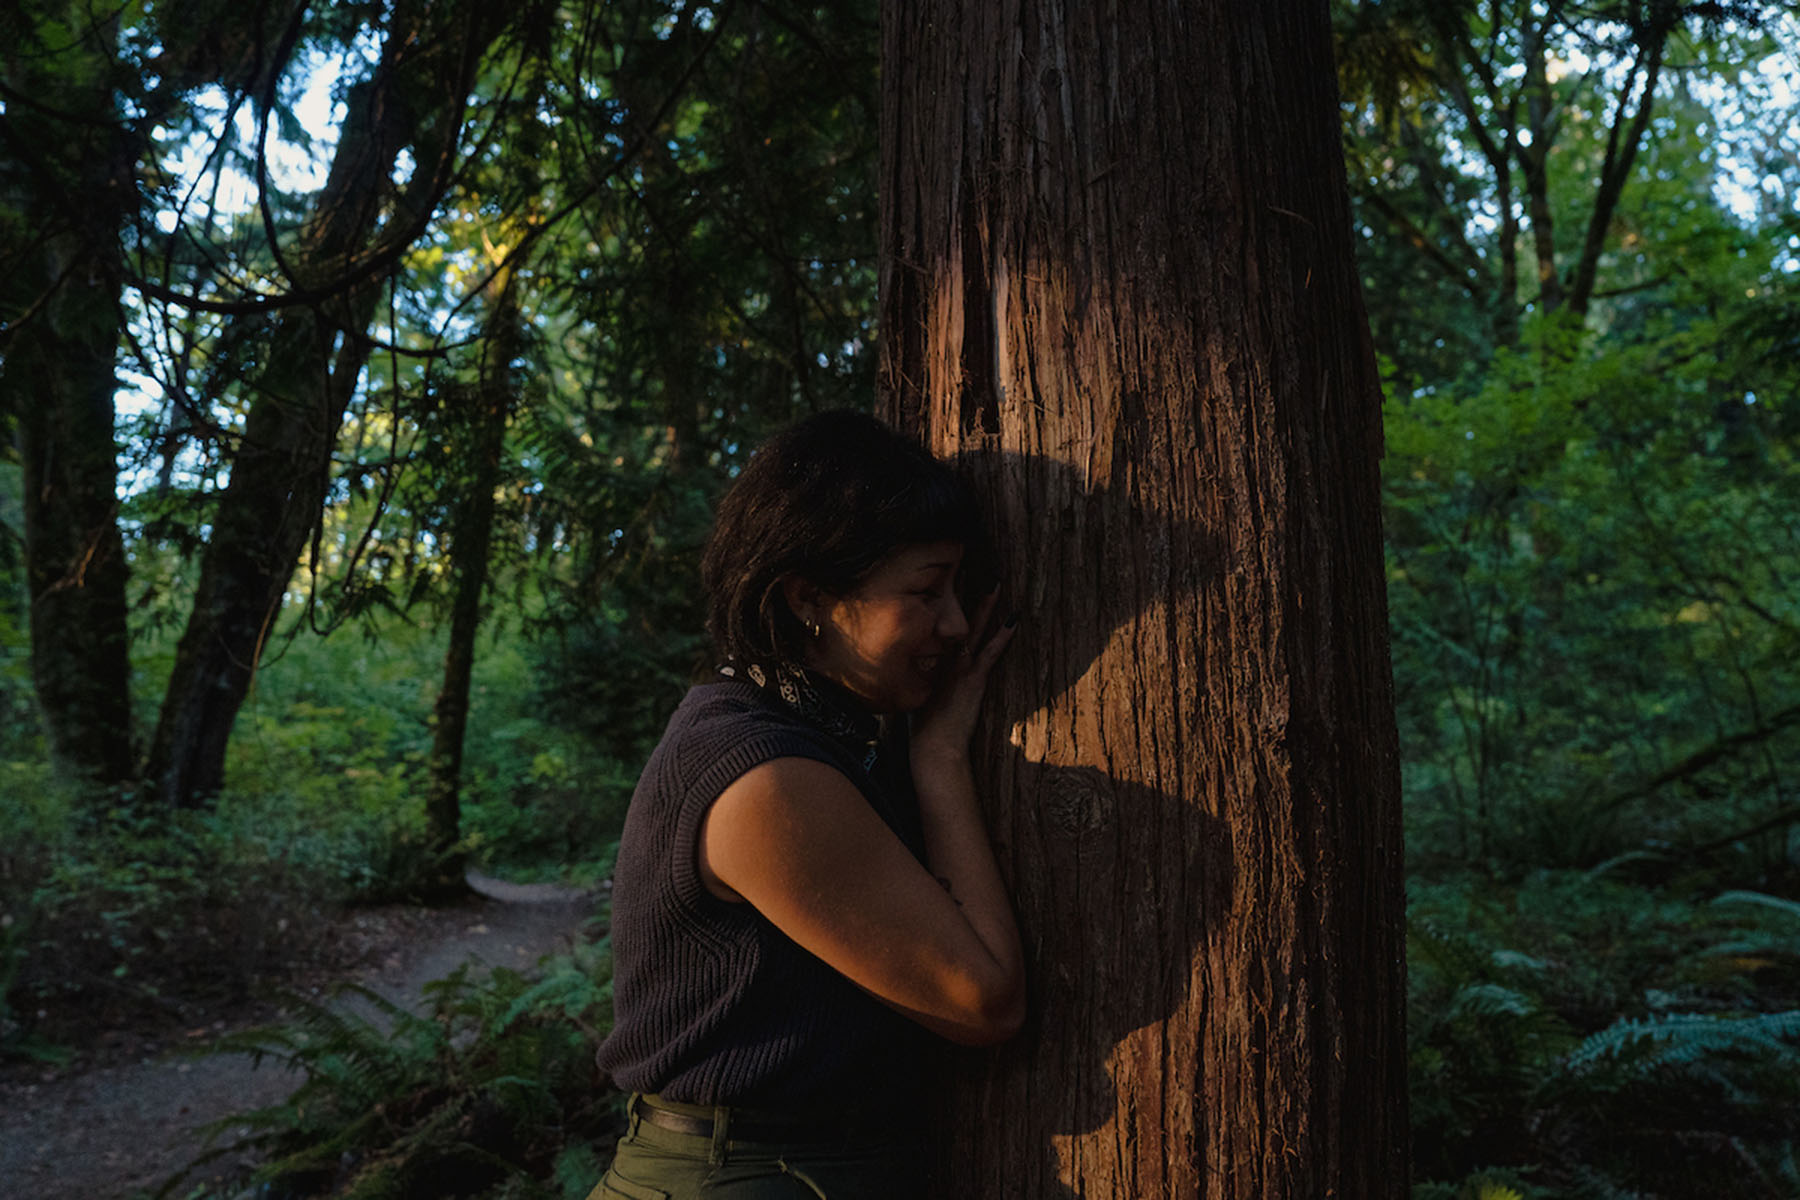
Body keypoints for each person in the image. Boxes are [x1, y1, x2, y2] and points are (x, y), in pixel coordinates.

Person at [588, 410, 1025, 1199]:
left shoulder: (815, 729)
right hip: (749, 1177)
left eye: (959, 588)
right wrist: (939, 761)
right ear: (807, 599)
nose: (957, 624)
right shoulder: (766, 776)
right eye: (926, 591)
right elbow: (983, 1000)